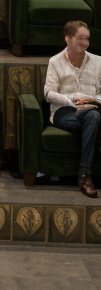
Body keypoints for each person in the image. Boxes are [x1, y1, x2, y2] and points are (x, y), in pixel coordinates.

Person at [44, 19, 101, 197]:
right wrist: (71, 101)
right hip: (65, 111)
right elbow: (48, 93)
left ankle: (83, 175)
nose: (85, 43)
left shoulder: (98, 61)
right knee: (94, 119)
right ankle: (85, 176)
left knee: (93, 116)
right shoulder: (55, 62)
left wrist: (93, 100)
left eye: (87, 39)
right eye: (80, 38)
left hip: (92, 109)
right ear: (68, 38)